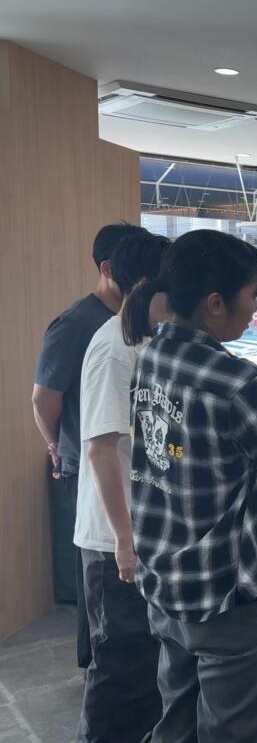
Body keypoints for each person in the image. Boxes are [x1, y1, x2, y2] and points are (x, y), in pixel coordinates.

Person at [122, 230, 257, 743]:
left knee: (176, 727)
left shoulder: (151, 358)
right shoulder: (240, 384)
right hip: (232, 599)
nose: (255, 309)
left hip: (167, 587)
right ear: (214, 303)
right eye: (251, 294)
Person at [33, 221, 147, 670]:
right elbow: (43, 399)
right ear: (108, 269)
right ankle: (97, 668)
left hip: (122, 457)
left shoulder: (135, 324)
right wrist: (56, 445)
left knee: (116, 586)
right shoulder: (78, 324)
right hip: (88, 458)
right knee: (99, 575)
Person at [74, 231, 170, 743]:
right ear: (145, 283)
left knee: (147, 667)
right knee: (119, 670)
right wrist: (125, 541)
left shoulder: (148, 339)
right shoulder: (113, 348)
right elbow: (101, 449)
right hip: (113, 539)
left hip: (141, 530)